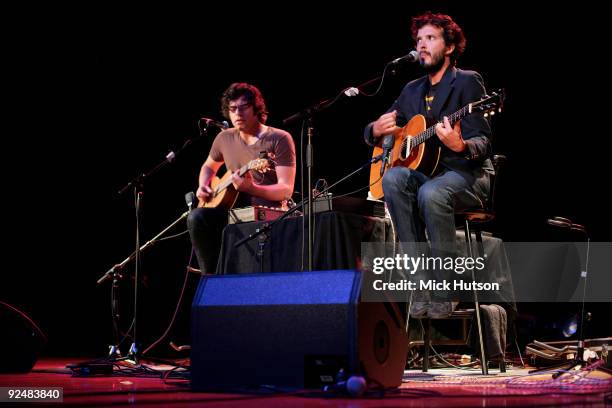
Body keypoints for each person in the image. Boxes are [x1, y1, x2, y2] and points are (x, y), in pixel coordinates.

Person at [364, 12, 494, 318]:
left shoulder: (467, 82)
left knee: (431, 194)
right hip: (432, 177)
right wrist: (375, 129)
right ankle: (418, 285)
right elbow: (379, 128)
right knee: (394, 179)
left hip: (468, 175)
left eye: (430, 38)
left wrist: (460, 145)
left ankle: (445, 290)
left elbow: (483, 141)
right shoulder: (411, 90)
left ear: (449, 47)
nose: (422, 45)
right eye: (419, 39)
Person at [188, 82, 296, 274]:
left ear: (256, 109)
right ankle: (210, 278)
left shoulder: (279, 138)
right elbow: (208, 166)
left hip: (267, 213)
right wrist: (203, 184)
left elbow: (286, 189)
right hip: (231, 211)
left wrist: (251, 188)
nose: (237, 113)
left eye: (243, 107)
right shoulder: (224, 138)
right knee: (197, 217)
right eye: (232, 109)